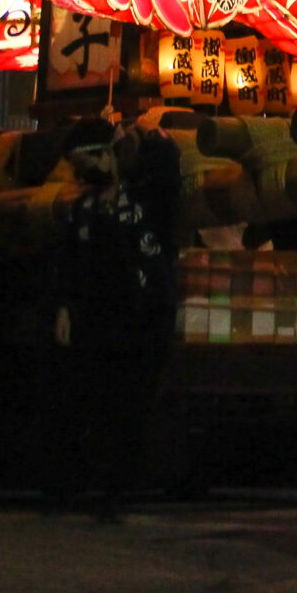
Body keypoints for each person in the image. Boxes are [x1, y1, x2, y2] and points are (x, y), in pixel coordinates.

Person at [47, 117, 179, 523]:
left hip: (143, 318)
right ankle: (91, 484)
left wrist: (140, 139)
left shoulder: (146, 200)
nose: (78, 173)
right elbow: (69, 264)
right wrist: (65, 307)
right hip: (98, 320)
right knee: (95, 402)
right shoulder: (84, 210)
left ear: (105, 155)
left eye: (82, 162)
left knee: (131, 405)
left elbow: (167, 169)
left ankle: (116, 490)